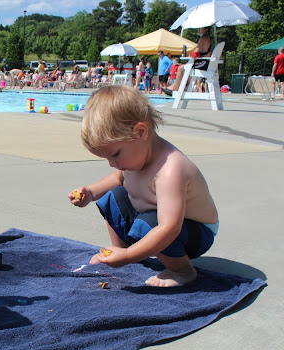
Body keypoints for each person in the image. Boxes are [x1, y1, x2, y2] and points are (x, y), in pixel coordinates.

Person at [68, 85, 219, 287]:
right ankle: (119, 249)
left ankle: (182, 270)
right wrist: (90, 192)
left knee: (150, 223)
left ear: (140, 132)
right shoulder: (136, 156)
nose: (112, 163)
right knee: (112, 196)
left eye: (115, 154)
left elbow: (169, 228)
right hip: (154, 221)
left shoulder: (170, 169)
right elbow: (118, 179)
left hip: (194, 233)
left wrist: (129, 256)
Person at [163, 27, 212, 96]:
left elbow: (196, 51)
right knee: (183, 67)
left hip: (203, 63)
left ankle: (175, 87)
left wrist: (190, 55)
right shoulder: (208, 38)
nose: (198, 29)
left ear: (206, 29)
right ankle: (175, 86)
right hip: (206, 62)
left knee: (180, 68)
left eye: (200, 28)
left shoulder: (203, 38)